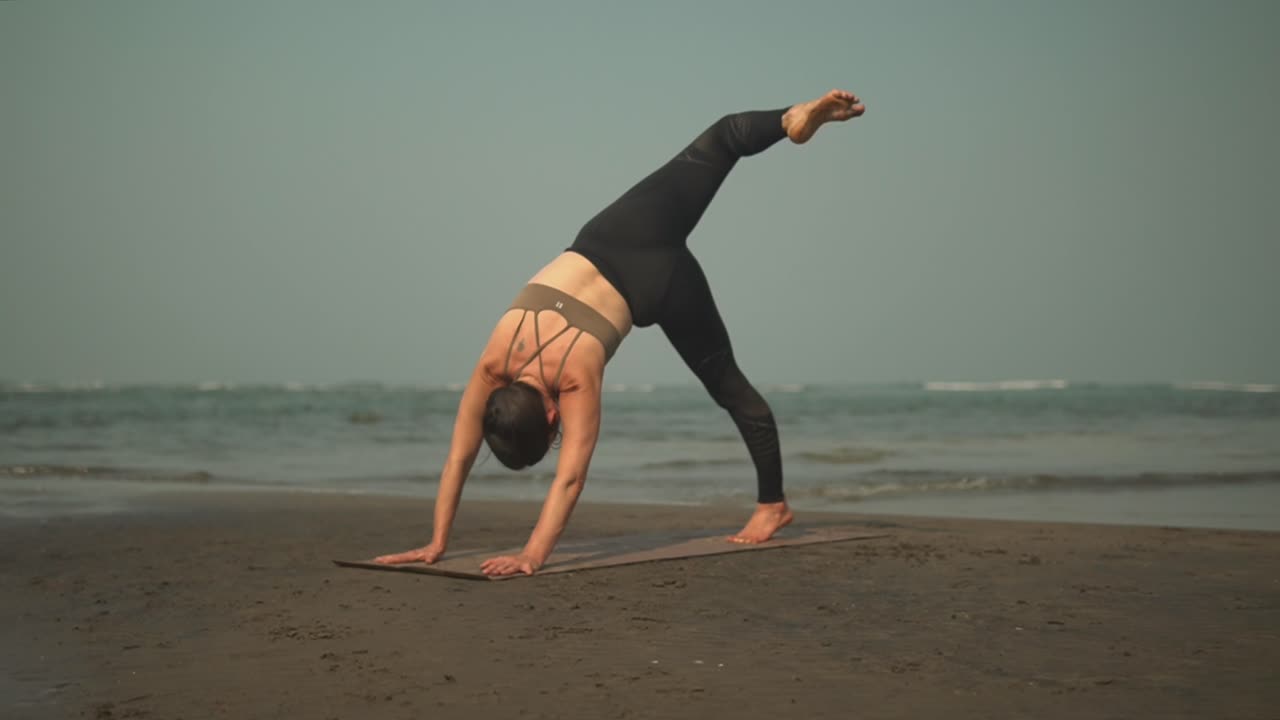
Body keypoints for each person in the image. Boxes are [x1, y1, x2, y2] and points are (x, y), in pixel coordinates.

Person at [376, 89, 866, 576]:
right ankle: (787, 121)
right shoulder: (493, 364)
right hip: (620, 234)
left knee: (730, 387)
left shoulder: (572, 382)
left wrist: (530, 555)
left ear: (551, 416)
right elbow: (459, 458)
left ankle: (773, 507)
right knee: (722, 138)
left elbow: (568, 480)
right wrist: (437, 539)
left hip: (657, 289)